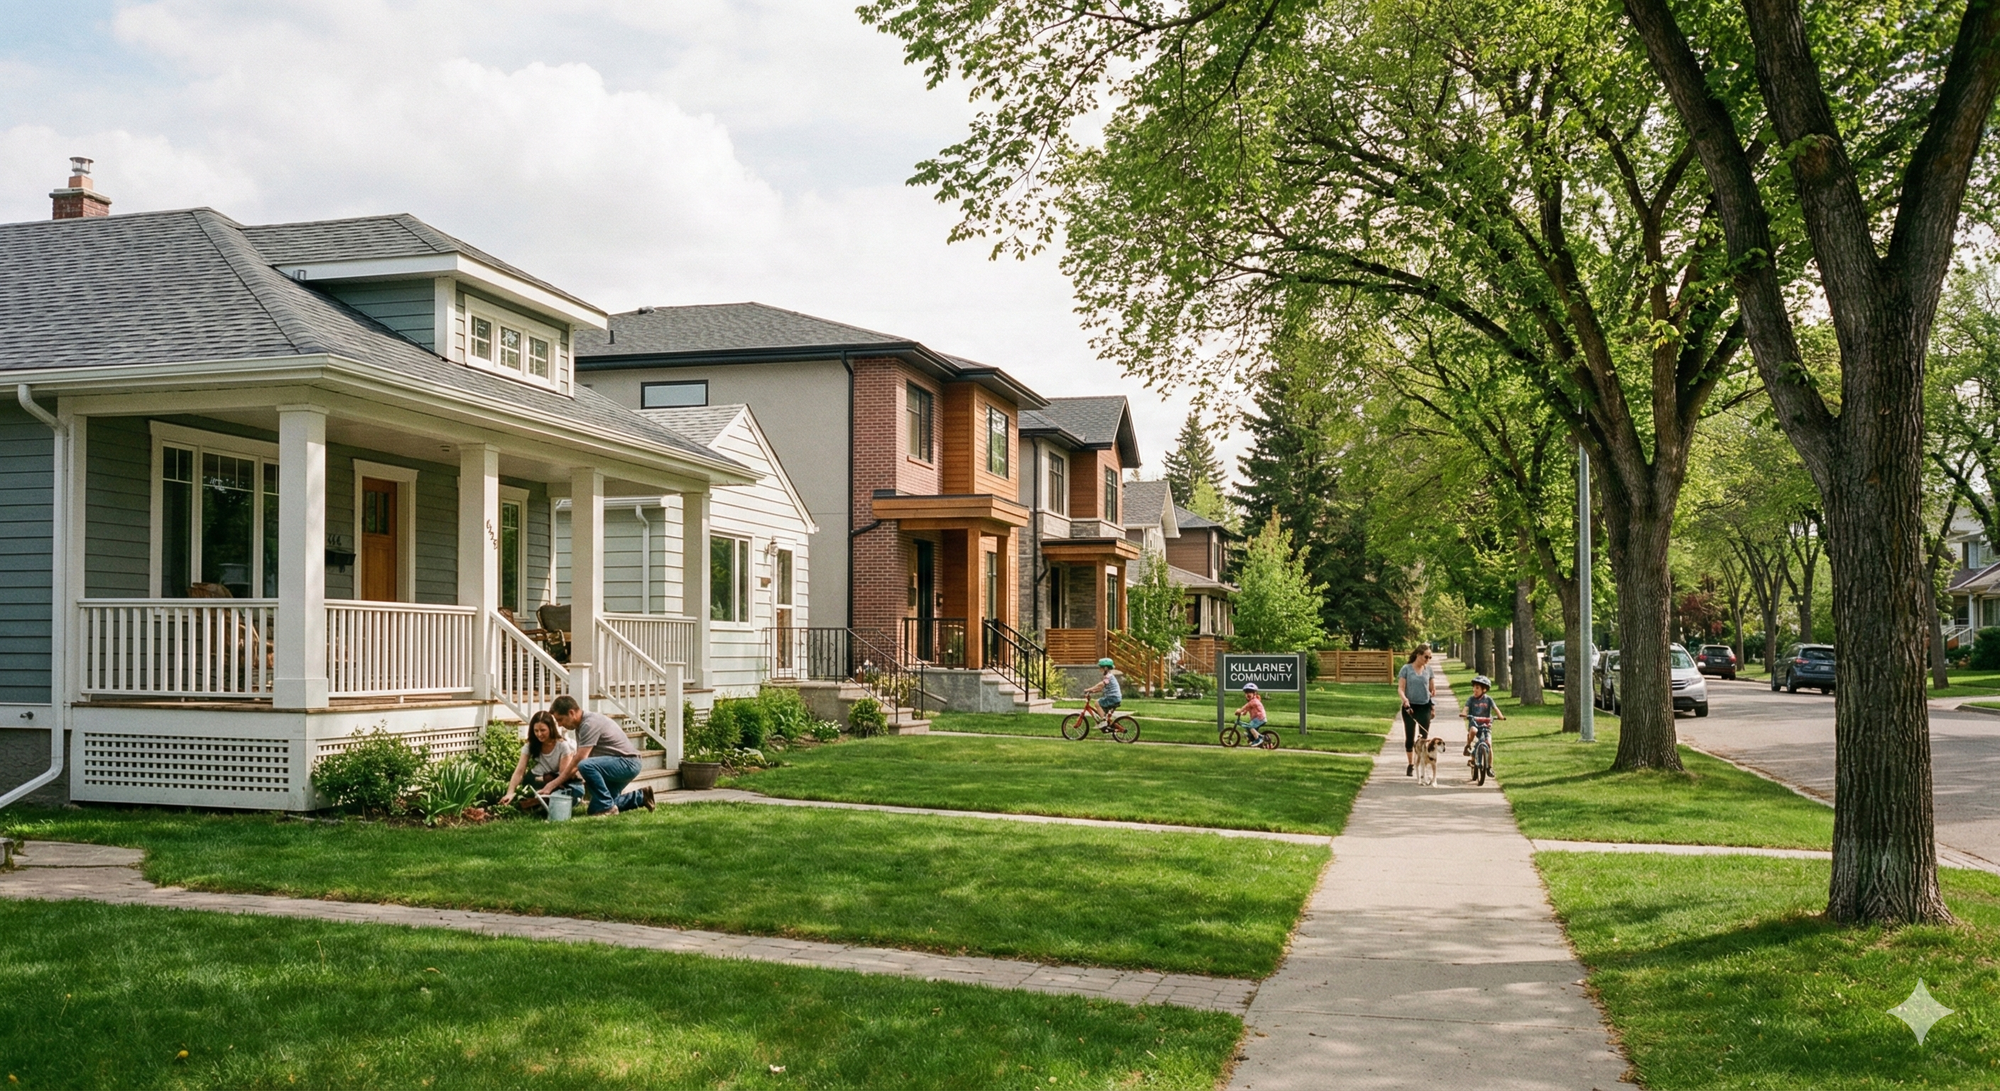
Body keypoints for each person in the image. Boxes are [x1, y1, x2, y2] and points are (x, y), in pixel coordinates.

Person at [547, 694, 655, 816]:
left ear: (571, 713)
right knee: (595, 809)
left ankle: (608, 807)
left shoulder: (589, 723)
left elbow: (580, 760)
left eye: (560, 719)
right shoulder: (581, 726)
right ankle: (641, 797)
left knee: (585, 765)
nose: (559, 725)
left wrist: (553, 783)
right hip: (619, 764)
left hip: (627, 763)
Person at [498, 711, 582, 811]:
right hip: (535, 779)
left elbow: (562, 776)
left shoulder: (562, 746)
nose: (539, 734)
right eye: (536, 730)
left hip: (555, 781)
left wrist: (547, 780)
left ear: (551, 728)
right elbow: (519, 771)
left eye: (543, 730)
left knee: (565, 793)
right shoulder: (530, 745)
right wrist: (510, 792)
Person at [1399, 644, 1438, 776]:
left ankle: (1421, 763)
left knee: (1424, 738)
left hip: (1424, 706)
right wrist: (1405, 700)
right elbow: (1401, 688)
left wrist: (1432, 707)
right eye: (1426, 657)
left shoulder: (1429, 670)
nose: (1428, 659)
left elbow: (1431, 691)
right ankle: (1410, 764)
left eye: (1430, 657)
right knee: (1410, 737)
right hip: (1410, 707)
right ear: (1418, 655)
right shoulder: (1406, 669)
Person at [1461, 674, 1505, 755]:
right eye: (1474, 687)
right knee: (1473, 730)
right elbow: (1466, 707)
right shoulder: (1471, 699)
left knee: (1489, 744)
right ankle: (1468, 744)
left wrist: (1500, 716)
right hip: (1474, 723)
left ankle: (1489, 766)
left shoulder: (1488, 699)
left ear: (1484, 689)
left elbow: (1495, 708)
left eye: (1477, 688)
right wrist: (1464, 713)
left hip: (1485, 724)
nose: (1474, 689)